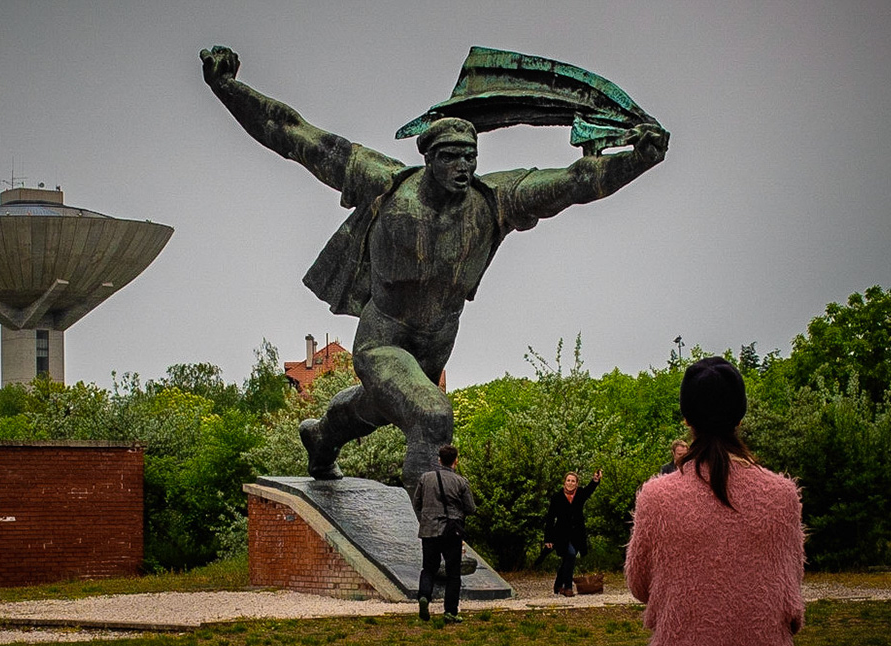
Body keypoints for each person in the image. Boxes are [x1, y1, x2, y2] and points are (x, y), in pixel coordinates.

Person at [201, 46, 669, 495]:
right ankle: (435, 543)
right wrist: (227, 86)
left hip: (435, 347)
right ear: (428, 156)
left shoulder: (495, 201)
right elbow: (292, 133)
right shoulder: (384, 183)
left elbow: (576, 181)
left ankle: (322, 438)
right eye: (451, 156)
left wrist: (638, 159)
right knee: (431, 416)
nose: (463, 166)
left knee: (380, 406)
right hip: (384, 337)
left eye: (471, 157)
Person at [625, 357, 805, 646]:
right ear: (739, 417)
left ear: (686, 419)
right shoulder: (782, 495)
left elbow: (640, 585)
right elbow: (790, 591)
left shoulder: (657, 497)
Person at [412, 444, 476, 623]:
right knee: (453, 573)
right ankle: (450, 612)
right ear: (456, 460)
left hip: (429, 531)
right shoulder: (461, 482)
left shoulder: (425, 478)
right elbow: (471, 508)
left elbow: (417, 503)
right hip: (451, 532)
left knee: (428, 569)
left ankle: (424, 596)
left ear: (439, 459)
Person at [544, 469, 602, 596]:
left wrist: (595, 480)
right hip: (561, 534)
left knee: (567, 559)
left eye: (573, 481)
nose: (570, 483)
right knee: (570, 555)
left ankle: (558, 585)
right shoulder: (557, 497)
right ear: (564, 482)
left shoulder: (580, 494)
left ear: (576, 483)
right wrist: (548, 539)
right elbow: (550, 519)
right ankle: (567, 587)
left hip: (577, 534)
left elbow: (589, 490)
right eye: (568, 480)